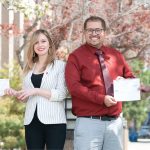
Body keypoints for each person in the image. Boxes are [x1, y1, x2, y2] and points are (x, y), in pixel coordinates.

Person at [65, 16, 135, 150]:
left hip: (115, 123)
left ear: (104, 32)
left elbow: (131, 79)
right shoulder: (75, 57)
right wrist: (102, 99)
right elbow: (74, 87)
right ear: (84, 33)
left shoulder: (116, 55)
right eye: (90, 30)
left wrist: (125, 82)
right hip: (88, 123)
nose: (94, 34)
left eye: (98, 30)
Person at [5, 29, 67, 150]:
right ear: (33, 46)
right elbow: (26, 97)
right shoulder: (28, 68)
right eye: (36, 42)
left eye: (43, 41)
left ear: (49, 43)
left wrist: (36, 91)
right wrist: (17, 94)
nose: (40, 45)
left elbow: (61, 94)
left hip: (54, 122)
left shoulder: (60, 66)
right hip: (32, 123)